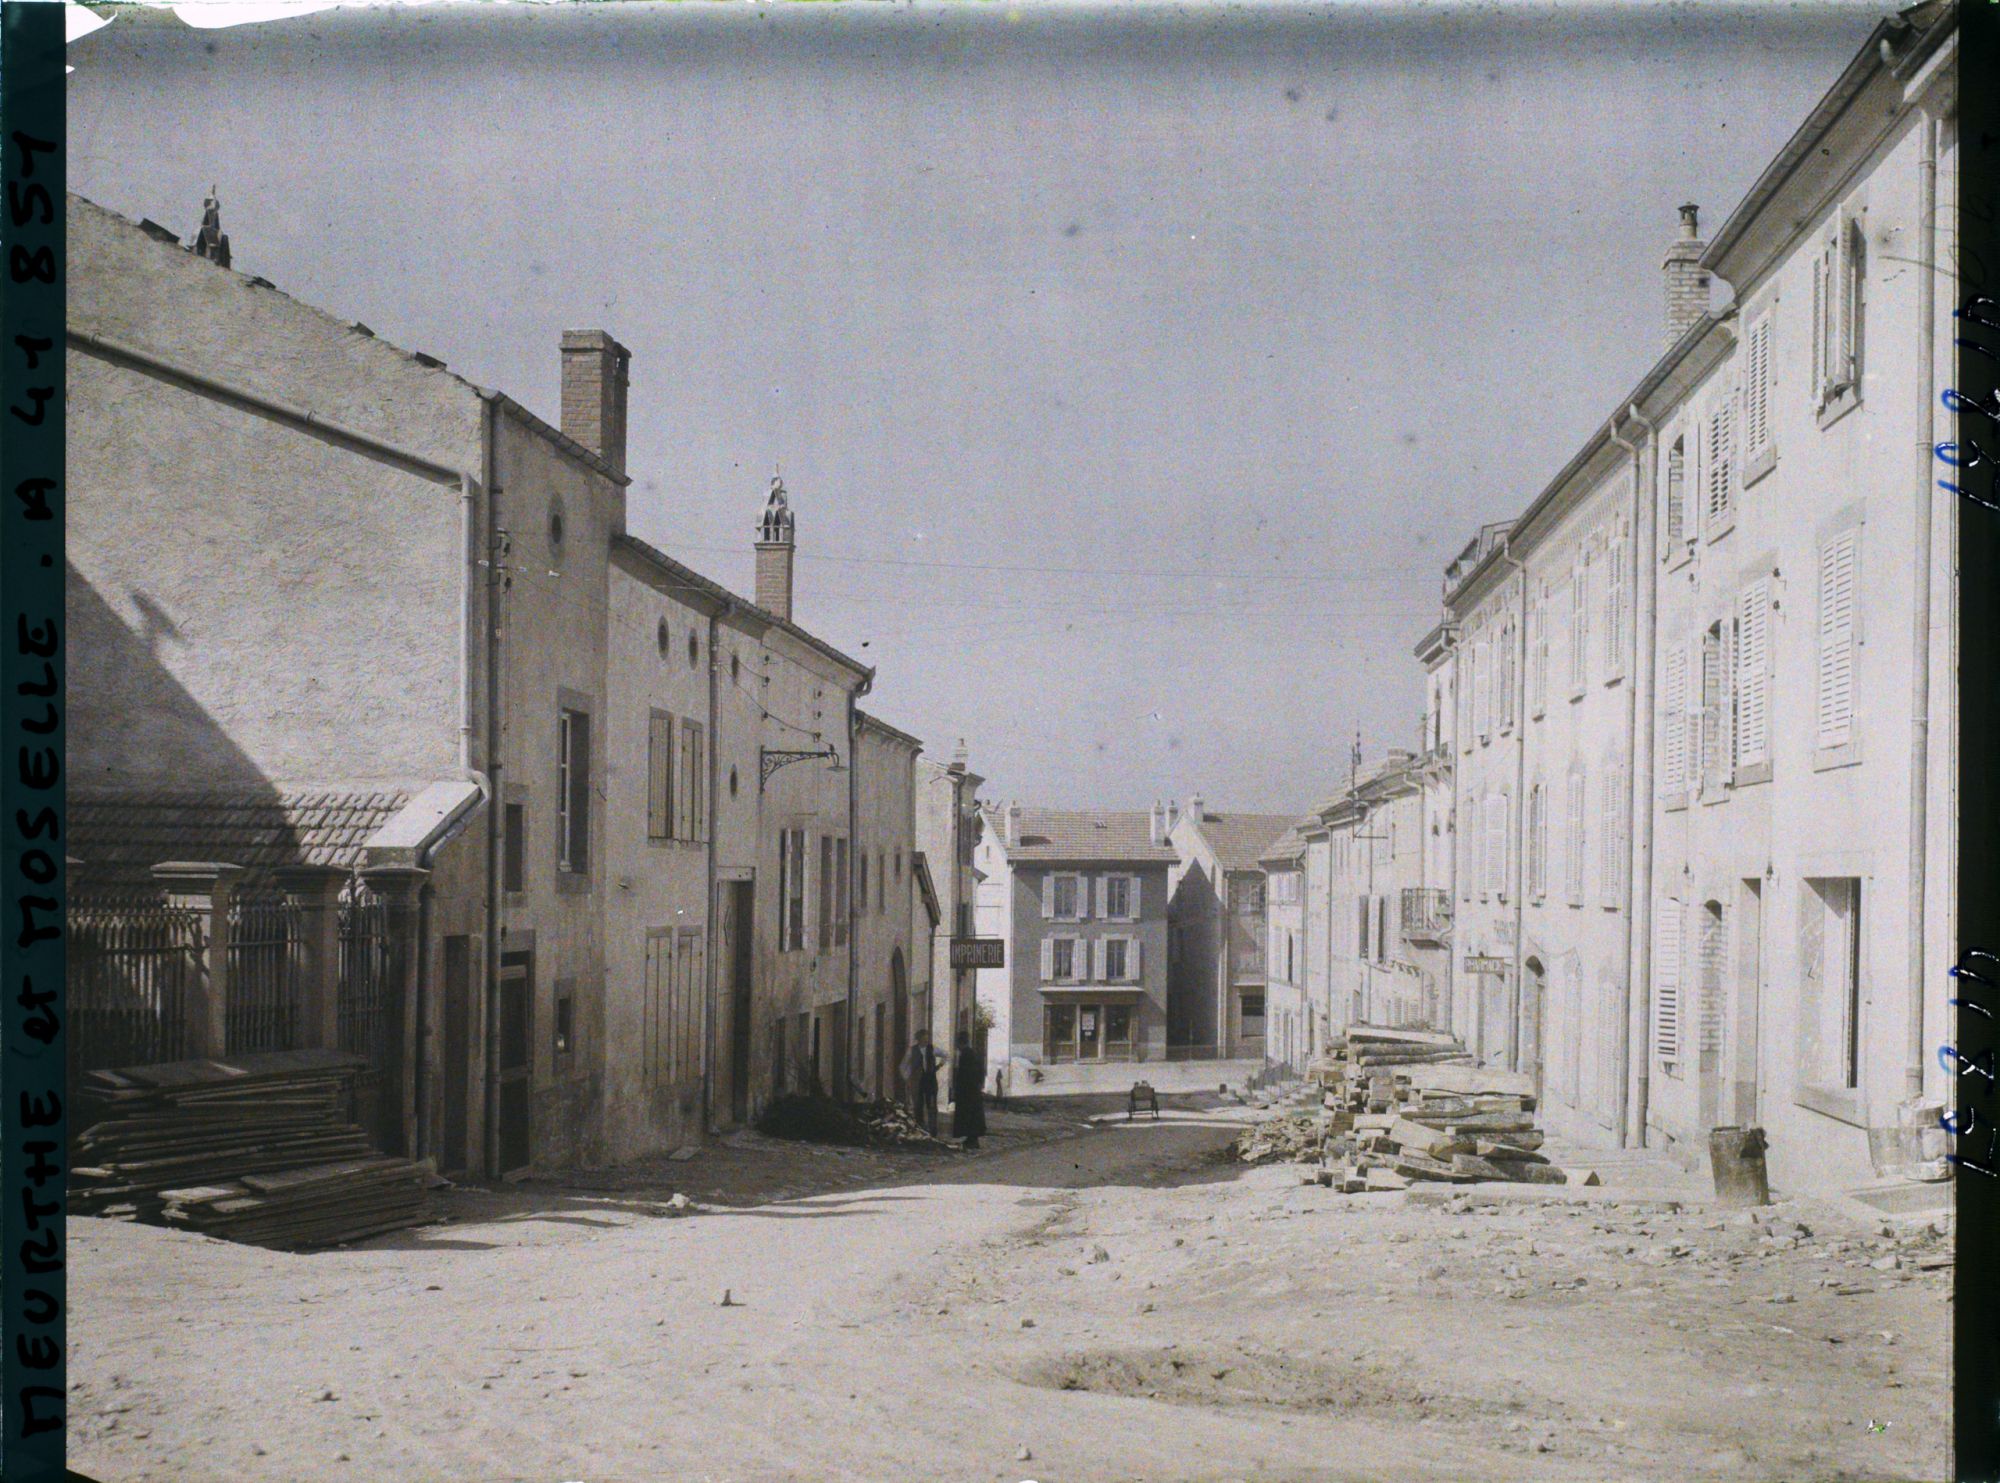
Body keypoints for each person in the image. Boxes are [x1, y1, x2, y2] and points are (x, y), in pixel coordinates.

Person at [951, 1030, 987, 1151]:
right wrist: (979, 1084)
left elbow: (963, 1074)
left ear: (960, 1043)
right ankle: (972, 1139)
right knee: (974, 1116)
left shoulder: (965, 1055)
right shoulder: (974, 1054)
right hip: (974, 1090)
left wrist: (958, 1089)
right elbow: (981, 1071)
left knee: (967, 1116)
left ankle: (972, 1139)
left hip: (967, 1091)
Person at [902, 1031, 942, 1137]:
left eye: (927, 1039)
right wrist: (907, 1079)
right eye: (923, 1039)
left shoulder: (932, 1049)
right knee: (918, 1105)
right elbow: (903, 1065)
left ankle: (933, 1131)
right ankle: (920, 1128)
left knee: (931, 1105)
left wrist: (939, 1066)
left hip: (930, 1080)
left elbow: (946, 1055)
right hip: (918, 1081)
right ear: (918, 1039)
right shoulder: (912, 1050)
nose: (925, 1041)